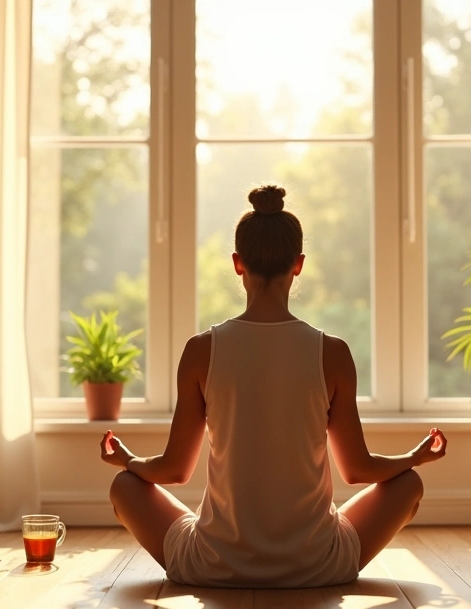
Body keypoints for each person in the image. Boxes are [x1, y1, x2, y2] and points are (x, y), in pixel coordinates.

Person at [99, 184, 448, 588]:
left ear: (237, 263)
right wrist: (414, 457)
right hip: (317, 565)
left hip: (214, 565)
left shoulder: (201, 351)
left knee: (125, 486)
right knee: (409, 484)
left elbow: (174, 470)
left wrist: (129, 460)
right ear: (298, 264)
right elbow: (357, 470)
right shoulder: (331, 353)